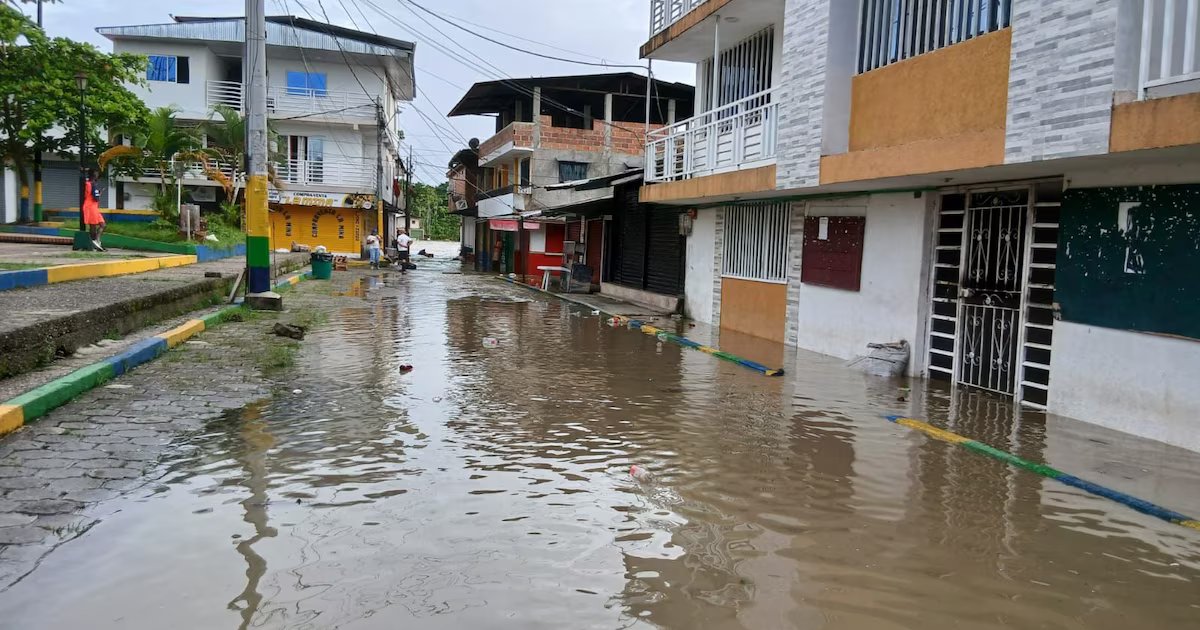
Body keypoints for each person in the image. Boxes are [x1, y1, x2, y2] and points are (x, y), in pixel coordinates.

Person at [82, 169, 106, 251]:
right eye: (97, 173)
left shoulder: (90, 184)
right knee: (93, 225)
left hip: (94, 207)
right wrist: (99, 194)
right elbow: (96, 198)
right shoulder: (91, 184)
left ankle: (97, 241)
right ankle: (93, 242)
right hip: (90, 206)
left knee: (102, 224)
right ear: (94, 175)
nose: (98, 175)